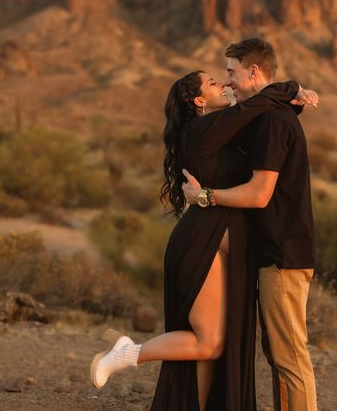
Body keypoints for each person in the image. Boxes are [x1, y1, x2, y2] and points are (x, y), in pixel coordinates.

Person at [89, 68, 317, 411]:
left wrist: (291, 106)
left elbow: (262, 125)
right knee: (209, 344)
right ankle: (130, 353)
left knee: (216, 350)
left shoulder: (221, 128)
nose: (223, 84)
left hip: (225, 246)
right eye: (214, 83)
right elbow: (252, 109)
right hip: (204, 242)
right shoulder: (201, 130)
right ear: (199, 101)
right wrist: (292, 87)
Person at [182, 37, 318, 411]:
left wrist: (204, 197)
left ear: (252, 71)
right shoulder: (272, 116)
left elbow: (259, 194)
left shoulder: (273, 122)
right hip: (279, 252)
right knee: (280, 355)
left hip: (283, 254)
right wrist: (290, 91)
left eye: (231, 72)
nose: (227, 82)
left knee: (289, 359)